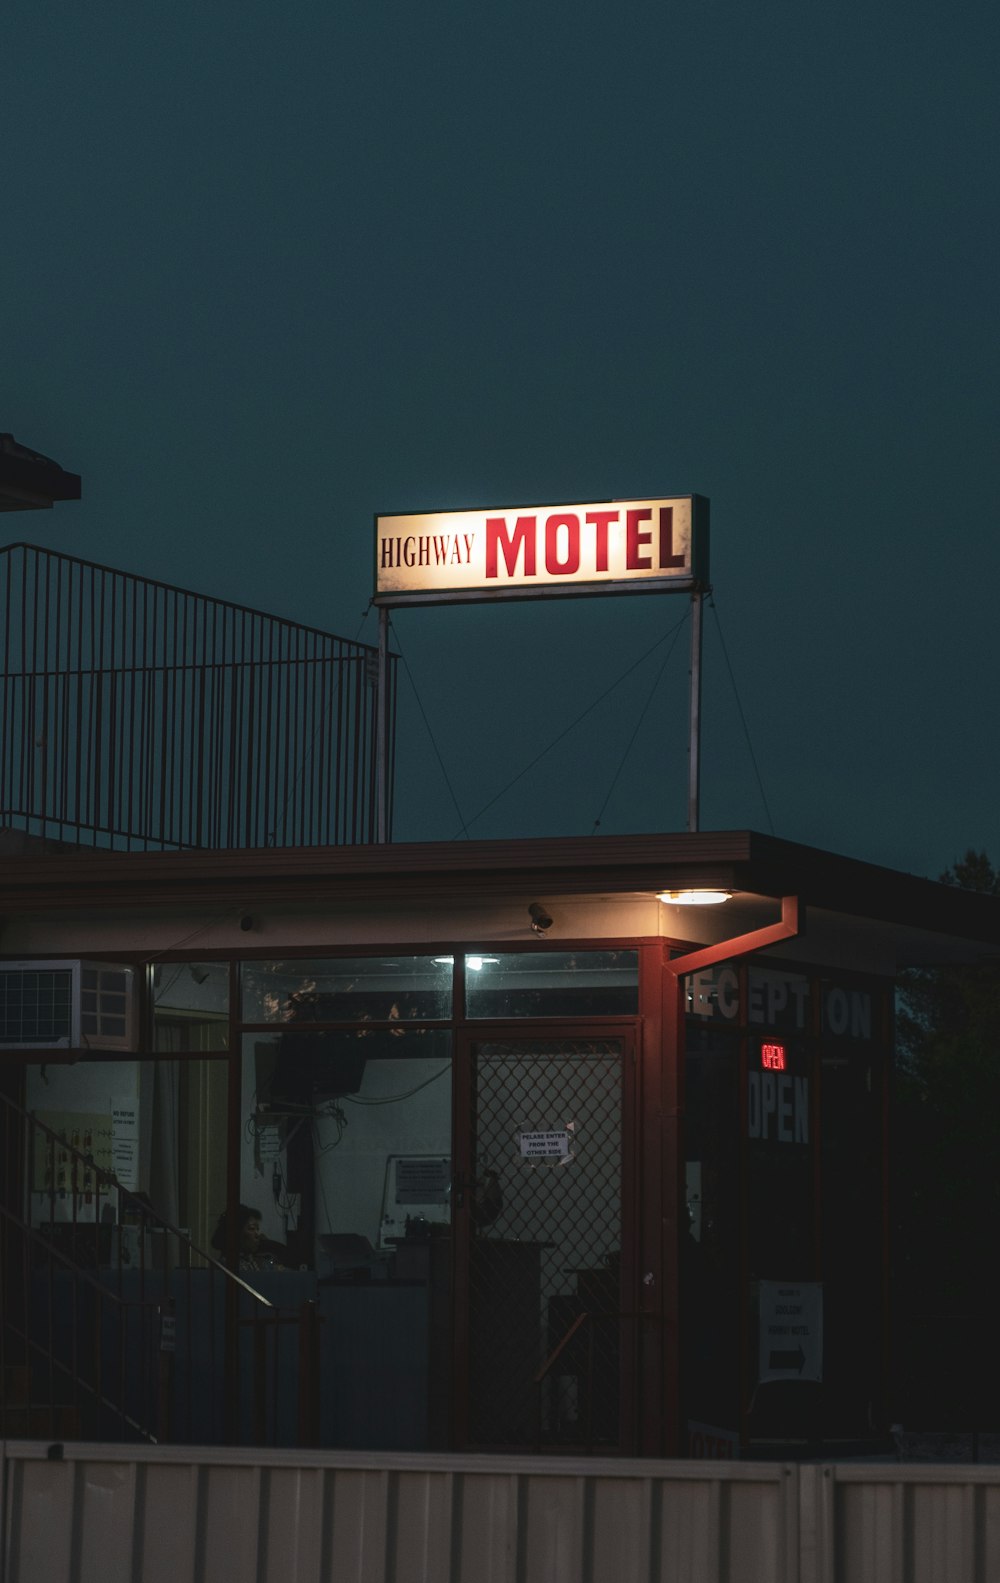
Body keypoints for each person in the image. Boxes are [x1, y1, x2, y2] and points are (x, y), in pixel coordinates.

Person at [211, 1203, 287, 1272]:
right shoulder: (227, 1265)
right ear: (237, 1233)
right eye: (252, 1229)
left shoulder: (255, 1261)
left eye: (257, 1229)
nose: (257, 1234)